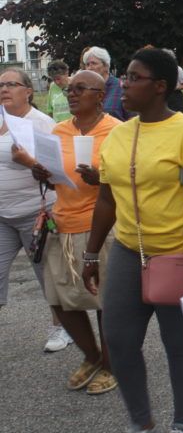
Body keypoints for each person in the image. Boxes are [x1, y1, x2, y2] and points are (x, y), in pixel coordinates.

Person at [82, 49, 183, 433]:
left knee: (179, 344)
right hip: (131, 251)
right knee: (119, 340)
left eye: (134, 77)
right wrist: (91, 252)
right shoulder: (118, 135)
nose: (124, 84)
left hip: (181, 252)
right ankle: (141, 422)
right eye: (125, 76)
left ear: (160, 86)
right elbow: (108, 198)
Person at [32, 70, 120, 394]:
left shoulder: (117, 131)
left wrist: (103, 180)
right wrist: (40, 172)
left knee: (105, 303)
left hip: (102, 228)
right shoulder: (58, 130)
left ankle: (112, 366)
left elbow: (132, 182)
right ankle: (93, 356)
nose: (71, 93)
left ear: (100, 94)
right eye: (69, 89)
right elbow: (53, 175)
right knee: (61, 301)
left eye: (80, 88)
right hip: (63, 225)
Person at [0, 68, 72, 352]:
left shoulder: (41, 123)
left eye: (11, 84)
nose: (4, 89)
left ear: (28, 91)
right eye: (0, 85)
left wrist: (28, 161)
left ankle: (62, 327)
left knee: (48, 275)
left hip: (36, 213)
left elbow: (57, 173)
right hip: (2, 214)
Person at [84, 46, 132, 121]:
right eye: (87, 65)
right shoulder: (84, 90)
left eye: (94, 63)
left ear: (106, 66)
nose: (89, 68)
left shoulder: (122, 87)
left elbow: (134, 119)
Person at [162, 49, 183, 113]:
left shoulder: (178, 69)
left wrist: (174, 88)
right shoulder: (158, 69)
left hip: (175, 97)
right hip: (162, 97)